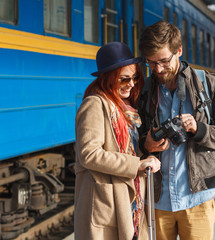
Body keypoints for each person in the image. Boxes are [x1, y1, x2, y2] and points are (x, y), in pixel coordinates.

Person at [137, 20, 215, 240]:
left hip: (198, 198)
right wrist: (145, 143)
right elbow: (132, 136)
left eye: (164, 61)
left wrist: (199, 129)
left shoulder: (210, 85)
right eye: (151, 63)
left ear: (179, 51)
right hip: (157, 199)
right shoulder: (144, 91)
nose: (158, 69)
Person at [74, 42, 161, 240]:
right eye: (124, 79)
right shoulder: (95, 105)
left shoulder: (125, 108)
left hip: (127, 198)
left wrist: (146, 148)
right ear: (109, 78)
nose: (131, 84)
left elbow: (126, 149)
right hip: (106, 201)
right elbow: (89, 154)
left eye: (135, 77)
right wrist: (137, 164)